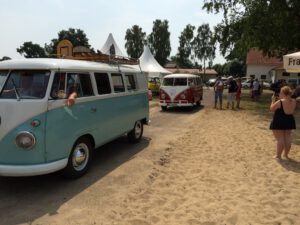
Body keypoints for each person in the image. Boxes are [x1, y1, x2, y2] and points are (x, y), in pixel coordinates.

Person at [270, 86, 297, 160]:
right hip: (289, 120)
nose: (279, 94)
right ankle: (286, 155)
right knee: (287, 138)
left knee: (280, 138)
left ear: (283, 93)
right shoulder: (294, 101)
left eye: (280, 92)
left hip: (279, 120)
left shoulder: (281, 101)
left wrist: (272, 100)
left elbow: (272, 108)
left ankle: (278, 156)